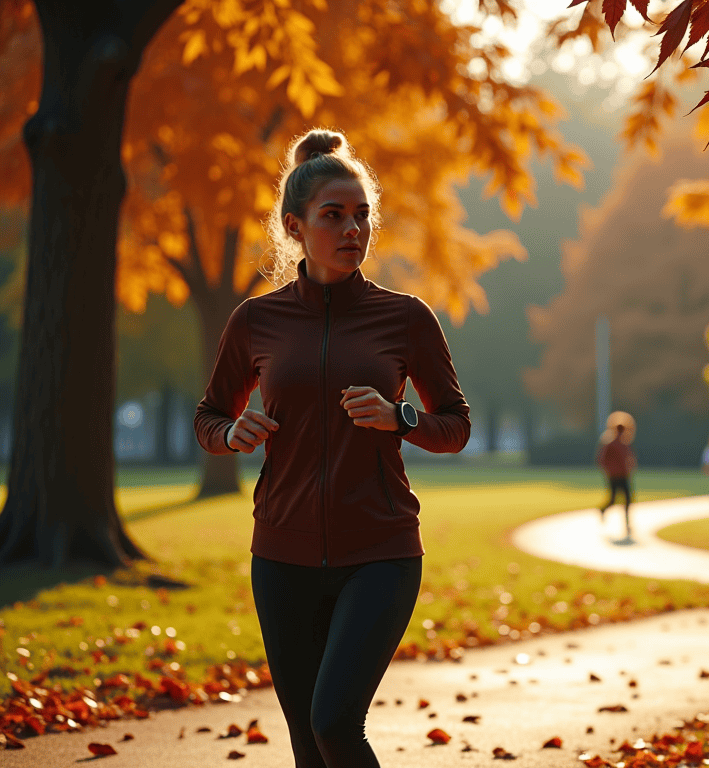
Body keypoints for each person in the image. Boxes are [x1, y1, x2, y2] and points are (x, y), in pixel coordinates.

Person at [194, 128, 471, 768]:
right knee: (308, 747)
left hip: (380, 551)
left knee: (336, 723)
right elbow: (210, 415)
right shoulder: (255, 321)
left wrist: (400, 417)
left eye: (363, 215)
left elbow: (454, 425)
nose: (354, 229)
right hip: (282, 556)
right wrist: (231, 434)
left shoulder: (405, 318)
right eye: (334, 216)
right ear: (295, 226)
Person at [596, 411, 638, 541]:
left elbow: (629, 459)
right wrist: (611, 470)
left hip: (623, 475)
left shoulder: (624, 443)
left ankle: (626, 523)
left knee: (627, 499)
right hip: (615, 476)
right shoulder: (611, 443)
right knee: (615, 499)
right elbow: (602, 460)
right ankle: (603, 510)